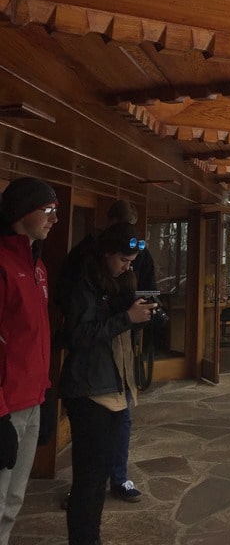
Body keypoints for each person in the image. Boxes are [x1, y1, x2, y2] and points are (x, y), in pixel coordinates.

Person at [58, 222, 156, 545]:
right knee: (89, 479)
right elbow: (80, 335)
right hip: (88, 391)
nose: (128, 267)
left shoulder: (117, 281)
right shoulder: (84, 283)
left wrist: (138, 316)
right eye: (123, 261)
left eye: (131, 263)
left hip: (112, 388)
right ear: (106, 253)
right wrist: (126, 318)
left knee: (98, 476)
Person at [0, 176, 58, 545]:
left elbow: (34, 337)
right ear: (23, 213)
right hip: (6, 406)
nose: (54, 219)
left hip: (33, 400)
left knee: (14, 499)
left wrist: (45, 393)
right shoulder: (3, 265)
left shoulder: (39, 268)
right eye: (48, 211)